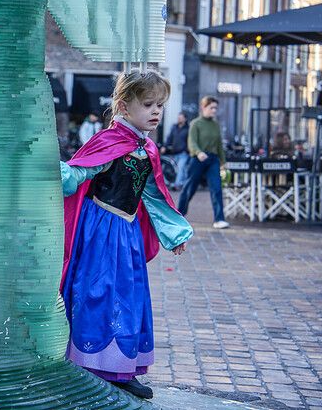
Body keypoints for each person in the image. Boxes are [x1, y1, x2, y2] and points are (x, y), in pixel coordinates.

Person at [60, 70, 193, 399]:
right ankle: (87, 365)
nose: (156, 112)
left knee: (129, 298)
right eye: (148, 104)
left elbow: (154, 195)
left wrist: (174, 233)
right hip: (98, 234)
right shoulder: (109, 142)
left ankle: (120, 368)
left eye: (160, 105)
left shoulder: (147, 149)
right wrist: (50, 167)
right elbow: (77, 173)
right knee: (96, 294)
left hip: (127, 236)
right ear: (122, 105)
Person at [177, 96, 229, 229]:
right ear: (203, 107)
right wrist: (198, 152)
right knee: (189, 188)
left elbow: (218, 145)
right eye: (211, 107)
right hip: (198, 159)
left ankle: (219, 219)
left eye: (216, 108)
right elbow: (192, 141)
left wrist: (223, 161)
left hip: (213, 160)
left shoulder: (216, 125)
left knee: (216, 188)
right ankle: (178, 216)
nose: (214, 110)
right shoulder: (196, 123)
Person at [161, 111, 190, 190]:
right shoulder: (174, 127)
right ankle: (183, 184)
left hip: (184, 153)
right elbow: (169, 138)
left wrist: (188, 150)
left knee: (181, 168)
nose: (179, 119)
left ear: (185, 119)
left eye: (181, 118)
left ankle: (176, 185)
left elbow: (190, 141)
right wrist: (164, 146)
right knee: (179, 170)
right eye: (178, 118)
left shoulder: (188, 129)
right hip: (175, 153)